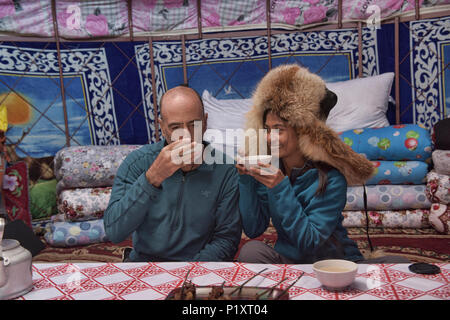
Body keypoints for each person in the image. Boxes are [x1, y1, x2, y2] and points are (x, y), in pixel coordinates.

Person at [236, 64, 409, 264]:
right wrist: (246, 180)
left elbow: (310, 241)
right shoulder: (271, 171)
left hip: (334, 263)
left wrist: (280, 188)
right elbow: (253, 228)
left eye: (278, 129)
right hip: (290, 263)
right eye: (267, 129)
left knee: (402, 267)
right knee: (251, 251)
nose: (269, 138)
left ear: (302, 130)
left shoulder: (331, 178)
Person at [104, 86, 242, 262]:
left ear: (205, 122)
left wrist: (188, 275)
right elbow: (114, 232)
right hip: (145, 264)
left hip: (198, 270)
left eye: (194, 125)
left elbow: (226, 239)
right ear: (162, 127)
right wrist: (152, 178)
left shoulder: (226, 170)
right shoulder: (137, 162)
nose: (186, 136)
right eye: (175, 127)